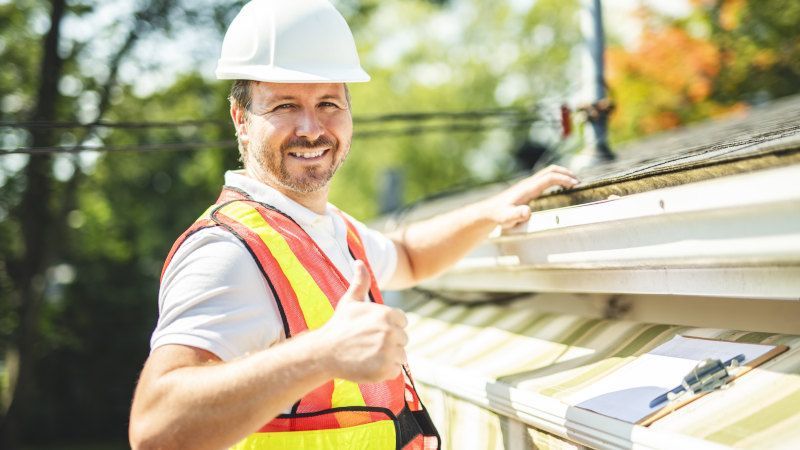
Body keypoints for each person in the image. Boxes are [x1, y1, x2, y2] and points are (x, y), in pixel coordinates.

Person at [128, 1, 579, 449]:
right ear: (241, 120)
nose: (311, 128)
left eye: (328, 102)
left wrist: (488, 210)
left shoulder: (326, 229)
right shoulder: (230, 250)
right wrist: (324, 353)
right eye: (285, 105)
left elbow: (408, 257)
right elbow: (155, 429)